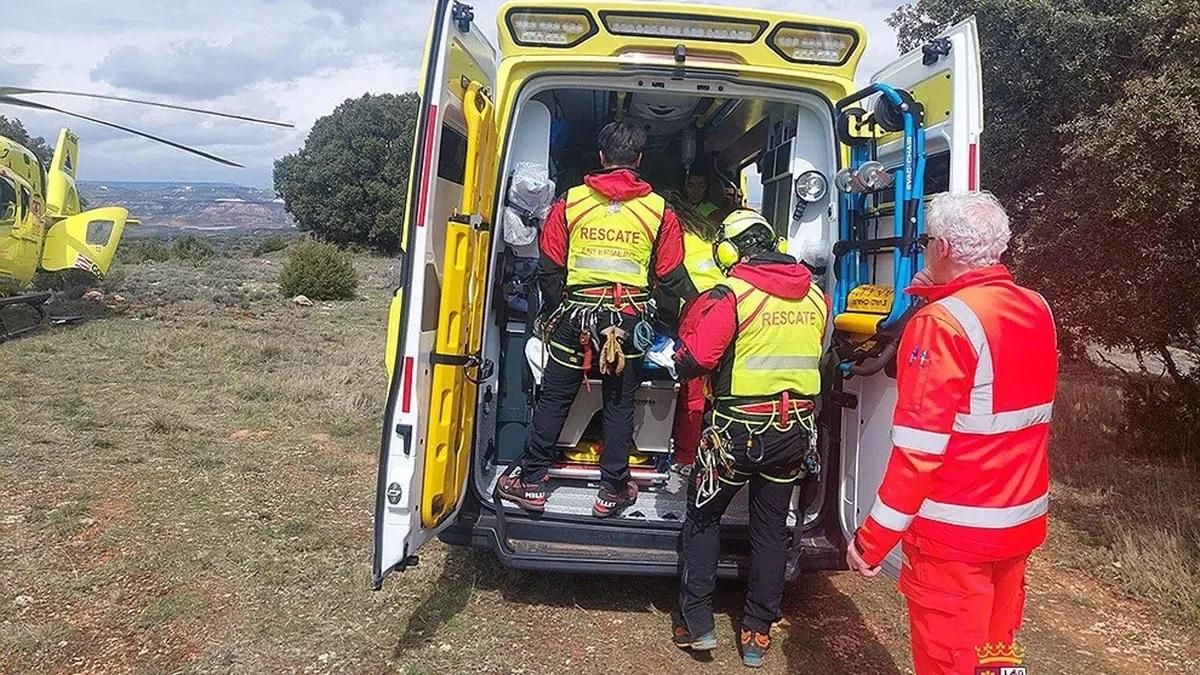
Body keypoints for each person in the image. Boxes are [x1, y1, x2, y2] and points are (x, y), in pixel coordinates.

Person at [845, 191, 1057, 675]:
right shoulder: (1035, 308)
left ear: (941, 248)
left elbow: (919, 453)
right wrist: (932, 293)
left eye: (925, 243)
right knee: (995, 657)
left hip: (954, 535)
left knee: (950, 661)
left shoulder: (940, 324)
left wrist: (873, 540)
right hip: (1017, 524)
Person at [496, 120, 696, 518]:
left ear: (601, 158)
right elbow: (671, 276)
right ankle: (612, 490)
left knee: (554, 398)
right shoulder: (660, 211)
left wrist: (556, 312)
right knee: (620, 407)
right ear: (638, 160)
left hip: (577, 318)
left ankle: (532, 482)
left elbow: (550, 267)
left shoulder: (569, 203)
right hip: (630, 322)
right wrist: (683, 314)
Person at [671, 209, 829, 668]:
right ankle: (757, 631)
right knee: (770, 529)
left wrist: (677, 359)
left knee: (703, 519)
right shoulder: (816, 298)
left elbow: (699, 356)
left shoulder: (732, 295)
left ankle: (696, 622)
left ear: (728, 250)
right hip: (792, 433)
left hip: (737, 433)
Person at [663, 193, 724, 470]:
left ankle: (686, 456)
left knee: (692, 387)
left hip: (697, 307)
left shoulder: (669, 230)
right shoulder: (706, 232)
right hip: (725, 302)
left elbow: (664, 274)